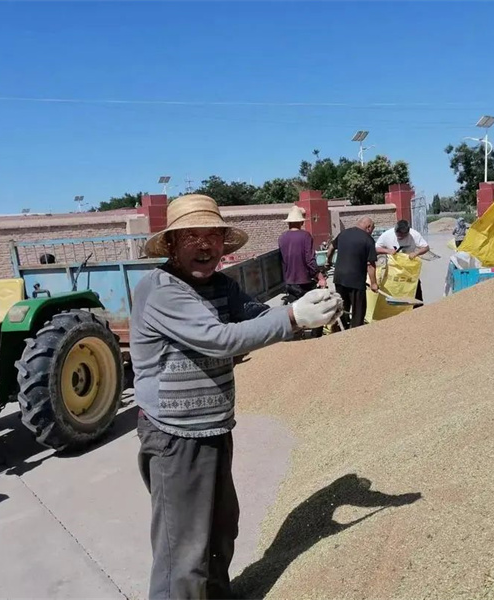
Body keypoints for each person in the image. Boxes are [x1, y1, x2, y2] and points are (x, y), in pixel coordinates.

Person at [130, 194, 343, 599]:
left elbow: (258, 316)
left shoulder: (221, 286)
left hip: (212, 429)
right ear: (171, 246)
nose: (204, 245)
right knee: (184, 555)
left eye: (212, 235)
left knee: (221, 532)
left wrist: (303, 306)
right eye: (191, 236)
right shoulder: (160, 290)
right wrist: (293, 318)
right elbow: (218, 340)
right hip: (175, 437)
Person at [326, 216, 379, 328]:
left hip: (339, 278)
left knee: (342, 307)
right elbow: (371, 265)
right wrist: (374, 283)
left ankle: (342, 329)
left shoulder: (343, 233)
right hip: (356, 280)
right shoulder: (368, 240)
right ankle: (356, 332)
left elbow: (330, 248)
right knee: (358, 310)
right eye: (372, 230)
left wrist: (328, 261)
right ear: (368, 227)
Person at [374, 219, 430, 304]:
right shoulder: (387, 235)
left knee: (414, 287)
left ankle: (417, 308)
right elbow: (375, 249)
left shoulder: (414, 234)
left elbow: (426, 247)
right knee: (395, 287)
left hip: (409, 268)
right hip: (393, 269)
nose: (400, 237)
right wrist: (388, 251)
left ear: (408, 232)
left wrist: (416, 253)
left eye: (403, 236)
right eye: (398, 235)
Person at [278, 205, 327, 298]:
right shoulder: (306, 236)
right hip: (304, 281)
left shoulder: (282, 237)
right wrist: (320, 277)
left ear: (288, 223)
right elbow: (310, 260)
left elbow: (282, 259)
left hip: (289, 281)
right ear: (301, 222)